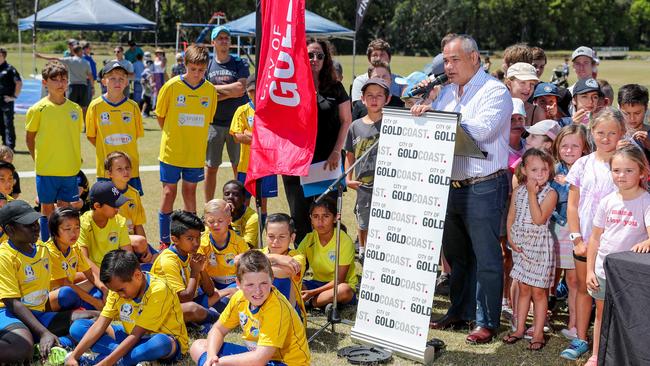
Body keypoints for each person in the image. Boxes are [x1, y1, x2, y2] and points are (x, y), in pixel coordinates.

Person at [413, 34, 512, 344]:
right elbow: (436, 127)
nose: (449, 66)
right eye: (445, 60)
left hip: (483, 186)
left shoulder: (495, 92)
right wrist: (423, 111)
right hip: (451, 186)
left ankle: (486, 321)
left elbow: (482, 131)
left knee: (485, 257)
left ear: (474, 59)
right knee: (457, 257)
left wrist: (439, 117)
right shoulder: (445, 95)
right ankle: (459, 311)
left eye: (455, 59)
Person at [560, 107, 626, 360]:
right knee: (583, 288)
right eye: (600, 132)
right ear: (591, 133)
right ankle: (580, 338)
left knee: (611, 294)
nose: (606, 138)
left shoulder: (625, 164)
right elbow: (573, 205)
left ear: (622, 133)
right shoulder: (582, 164)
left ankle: (613, 342)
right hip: (585, 241)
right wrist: (576, 238)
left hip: (616, 242)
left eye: (612, 133)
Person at [0, 200, 94, 364]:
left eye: (35, 221)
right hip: (9, 315)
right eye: (27, 224)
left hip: (38, 316)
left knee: (94, 318)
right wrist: (44, 332)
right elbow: (12, 302)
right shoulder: (4, 256)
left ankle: (48, 348)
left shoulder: (43, 250)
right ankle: (37, 343)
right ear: (10, 229)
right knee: (20, 348)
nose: (35, 227)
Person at [584, 145, 650, 366]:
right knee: (601, 314)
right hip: (603, 271)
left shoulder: (646, 201)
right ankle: (596, 355)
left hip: (628, 277)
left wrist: (647, 241)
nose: (622, 175)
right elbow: (595, 238)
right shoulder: (607, 201)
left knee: (627, 317)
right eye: (617, 170)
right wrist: (590, 270)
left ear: (642, 172)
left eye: (629, 170)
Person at [66, 250, 189, 366]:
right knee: (78, 327)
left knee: (160, 343)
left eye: (121, 290)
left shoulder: (158, 290)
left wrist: (105, 364)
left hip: (163, 341)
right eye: (114, 291)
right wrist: (74, 356)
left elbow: (137, 334)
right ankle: (131, 358)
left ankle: (107, 359)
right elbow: (100, 324)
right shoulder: (116, 289)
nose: (119, 295)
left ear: (137, 275)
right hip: (129, 337)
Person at [283, 39, 352, 243]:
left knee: (326, 216)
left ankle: (328, 264)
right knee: (300, 217)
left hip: (326, 163)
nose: (314, 59)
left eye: (319, 55)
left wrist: (335, 152)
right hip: (296, 164)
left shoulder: (335, 87)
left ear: (326, 59)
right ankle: (302, 265)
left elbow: (346, 120)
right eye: (310, 55)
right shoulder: (289, 86)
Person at [189, 250, 311, 366]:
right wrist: (211, 357)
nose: (257, 291)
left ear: (272, 279)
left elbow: (260, 359)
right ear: (238, 283)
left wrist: (221, 362)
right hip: (257, 356)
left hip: (285, 362)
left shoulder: (276, 306)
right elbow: (218, 329)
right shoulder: (239, 297)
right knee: (198, 346)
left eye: (263, 283)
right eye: (250, 285)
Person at [156, 45, 217, 248]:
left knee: (190, 193)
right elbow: (161, 116)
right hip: (172, 151)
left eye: (201, 70)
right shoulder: (172, 86)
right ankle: (165, 240)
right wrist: (174, 135)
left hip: (194, 154)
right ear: (185, 65)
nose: (197, 74)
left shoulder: (209, 90)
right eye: (193, 69)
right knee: (168, 193)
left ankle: (190, 238)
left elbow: (206, 119)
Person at [503, 148, 557, 351]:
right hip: (521, 246)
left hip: (540, 248)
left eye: (544, 169)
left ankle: (538, 333)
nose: (540, 174)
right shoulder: (518, 191)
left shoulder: (550, 194)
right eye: (534, 169)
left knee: (539, 292)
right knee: (523, 289)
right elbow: (511, 217)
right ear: (524, 171)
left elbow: (538, 219)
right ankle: (518, 329)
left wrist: (533, 194)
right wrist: (510, 237)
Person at [26, 60, 83, 241]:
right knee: (48, 210)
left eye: (64, 79)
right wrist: (39, 159)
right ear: (45, 82)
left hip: (69, 170)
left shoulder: (75, 109)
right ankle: (47, 246)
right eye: (55, 80)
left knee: (65, 211)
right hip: (46, 170)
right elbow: (30, 139)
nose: (60, 84)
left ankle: (63, 247)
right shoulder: (38, 109)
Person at [549, 125, 590, 341]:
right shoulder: (553, 170)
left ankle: (574, 323)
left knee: (574, 280)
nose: (569, 150)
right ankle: (542, 317)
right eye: (564, 145)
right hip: (556, 230)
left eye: (575, 146)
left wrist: (571, 185)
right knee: (551, 276)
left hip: (579, 231)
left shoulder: (588, 169)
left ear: (584, 148)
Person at [151, 210, 222, 325]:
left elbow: (210, 292)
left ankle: (203, 319)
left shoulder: (190, 253)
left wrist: (202, 270)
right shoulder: (168, 260)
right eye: (190, 239)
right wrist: (194, 271)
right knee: (192, 309)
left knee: (232, 292)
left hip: (191, 301)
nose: (196, 243)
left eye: (198, 238)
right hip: (166, 311)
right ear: (175, 239)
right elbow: (185, 298)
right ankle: (220, 319)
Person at [204, 25, 249, 203]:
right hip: (214, 123)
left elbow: (241, 88)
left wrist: (213, 91)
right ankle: (208, 205)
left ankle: (241, 206)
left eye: (226, 38)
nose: (224, 41)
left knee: (238, 167)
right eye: (220, 38)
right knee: (211, 167)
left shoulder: (239, 63)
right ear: (213, 42)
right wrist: (229, 92)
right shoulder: (207, 64)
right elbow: (204, 96)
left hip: (237, 124)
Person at [345, 78, 388, 261]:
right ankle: (363, 250)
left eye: (379, 95)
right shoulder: (355, 126)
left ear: (387, 99)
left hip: (385, 186)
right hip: (364, 185)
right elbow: (349, 154)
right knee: (363, 220)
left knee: (384, 223)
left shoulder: (391, 124)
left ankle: (380, 254)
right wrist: (348, 178)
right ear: (362, 99)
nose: (374, 99)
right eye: (369, 95)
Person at [86, 61, 144, 195]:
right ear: (104, 81)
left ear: (126, 82)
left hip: (129, 170)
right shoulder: (95, 106)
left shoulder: (133, 106)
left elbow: (136, 135)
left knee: (130, 208)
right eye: (112, 78)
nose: (117, 82)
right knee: (107, 210)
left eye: (121, 79)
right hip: (107, 171)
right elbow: (91, 136)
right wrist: (107, 149)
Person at [229, 74, 278, 223]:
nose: (254, 95)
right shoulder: (242, 110)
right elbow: (237, 137)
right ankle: (244, 236)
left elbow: (274, 138)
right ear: (246, 92)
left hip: (266, 166)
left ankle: (258, 236)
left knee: (262, 203)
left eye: (257, 91)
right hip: (246, 166)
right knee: (243, 203)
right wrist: (260, 138)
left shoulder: (272, 110)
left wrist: (249, 134)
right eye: (251, 91)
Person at [77, 181, 151, 279]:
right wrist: (101, 280)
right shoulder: (83, 223)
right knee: (77, 277)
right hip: (92, 271)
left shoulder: (119, 220)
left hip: (113, 270)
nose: (118, 209)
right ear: (97, 206)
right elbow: (84, 259)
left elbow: (128, 254)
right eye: (114, 205)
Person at [298, 198, 357, 308]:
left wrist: (312, 293)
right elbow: (295, 261)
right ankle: (323, 302)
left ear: (335, 218)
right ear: (311, 219)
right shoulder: (309, 239)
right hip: (316, 283)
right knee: (291, 283)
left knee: (344, 290)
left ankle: (310, 303)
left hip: (338, 286)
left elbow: (339, 280)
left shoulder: (343, 240)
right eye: (315, 217)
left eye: (326, 216)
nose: (320, 221)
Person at [46, 207, 106, 311]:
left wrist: (105, 291)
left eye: (77, 228)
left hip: (70, 291)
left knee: (99, 289)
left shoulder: (75, 248)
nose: (74, 233)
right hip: (50, 297)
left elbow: (90, 275)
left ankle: (84, 307)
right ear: (55, 231)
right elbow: (67, 285)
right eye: (67, 229)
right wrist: (95, 302)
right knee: (67, 294)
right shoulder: (49, 252)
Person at [260, 213, 307, 324]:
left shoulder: (298, 257)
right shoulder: (261, 253)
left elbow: (286, 272)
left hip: (289, 313)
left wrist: (256, 264)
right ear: (265, 235)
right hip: (262, 309)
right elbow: (238, 260)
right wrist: (276, 257)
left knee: (281, 279)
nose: (275, 242)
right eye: (271, 236)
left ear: (292, 237)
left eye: (281, 237)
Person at [199, 199, 249, 295]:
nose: (216, 224)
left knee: (232, 296)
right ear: (205, 222)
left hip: (233, 282)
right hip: (210, 282)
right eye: (211, 221)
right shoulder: (202, 243)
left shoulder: (238, 242)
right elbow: (200, 272)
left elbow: (248, 266)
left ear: (229, 220)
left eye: (220, 221)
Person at [36, 45, 92, 117]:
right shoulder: (86, 62)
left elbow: (54, 58)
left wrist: (40, 56)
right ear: (80, 51)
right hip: (83, 86)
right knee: (84, 107)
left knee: (69, 106)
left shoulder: (69, 60)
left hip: (72, 86)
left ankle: (68, 120)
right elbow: (90, 75)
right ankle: (85, 125)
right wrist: (92, 87)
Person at [105, 152, 146, 237]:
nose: (125, 171)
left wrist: (144, 248)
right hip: (111, 239)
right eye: (119, 169)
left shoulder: (134, 194)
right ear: (109, 173)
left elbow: (138, 225)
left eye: (127, 167)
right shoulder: (104, 194)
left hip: (131, 238)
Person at [350, 39, 403, 104]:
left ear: (389, 58)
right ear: (369, 59)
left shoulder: (400, 82)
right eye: (375, 55)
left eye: (382, 55)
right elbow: (359, 108)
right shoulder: (360, 81)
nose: (378, 58)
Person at [223, 179, 259, 248]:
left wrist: (227, 221)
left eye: (236, 194)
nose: (230, 197)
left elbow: (247, 247)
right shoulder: (218, 213)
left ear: (244, 199)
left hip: (246, 256)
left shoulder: (253, 217)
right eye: (226, 194)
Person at [618, 84, 650, 160]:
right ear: (619, 108)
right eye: (626, 113)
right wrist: (612, 152)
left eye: (637, 113)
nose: (632, 118)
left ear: (646, 108)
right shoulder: (611, 134)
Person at [0, 48, 22, 150]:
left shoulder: (10, 69)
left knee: (8, 123)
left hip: (6, 101)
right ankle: (4, 145)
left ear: (3, 56)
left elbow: (18, 83)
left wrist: (14, 97)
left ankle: (9, 146)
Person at [80, 41, 98, 105]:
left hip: (90, 81)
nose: (90, 49)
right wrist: (92, 86)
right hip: (87, 81)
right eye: (89, 48)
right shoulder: (83, 58)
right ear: (84, 49)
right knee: (86, 102)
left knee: (88, 101)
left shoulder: (88, 57)